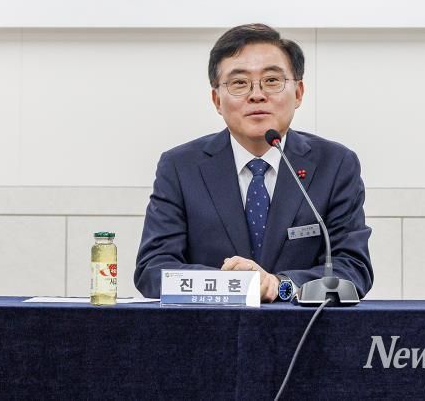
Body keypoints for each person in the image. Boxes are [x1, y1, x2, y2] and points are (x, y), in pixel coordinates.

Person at [134, 23, 373, 301]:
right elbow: (153, 269)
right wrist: (232, 285)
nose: (257, 94)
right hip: (207, 325)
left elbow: (352, 269)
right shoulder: (180, 167)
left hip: (304, 326)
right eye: (239, 83)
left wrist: (278, 285)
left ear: (298, 93)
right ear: (217, 100)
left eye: (272, 81)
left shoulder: (335, 164)